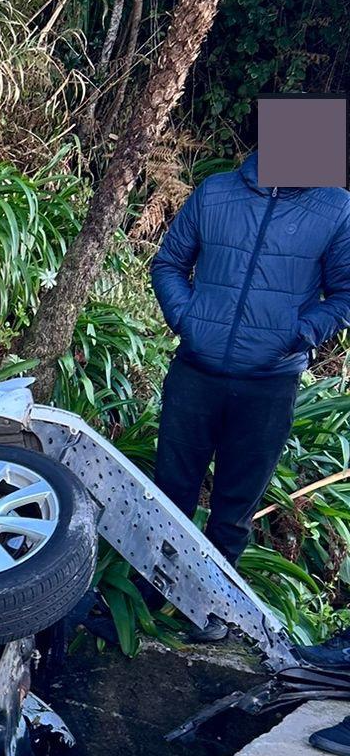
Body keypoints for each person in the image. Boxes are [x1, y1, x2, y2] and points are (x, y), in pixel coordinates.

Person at [150, 146, 350, 599]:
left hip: (269, 383)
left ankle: (212, 609)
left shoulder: (336, 207)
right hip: (195, 374)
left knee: (235, 506)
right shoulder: (216, 192)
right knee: (169, 492)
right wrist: (189, 321)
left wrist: (297, 336)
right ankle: (150, 597)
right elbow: (168, 264)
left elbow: (344, 293)